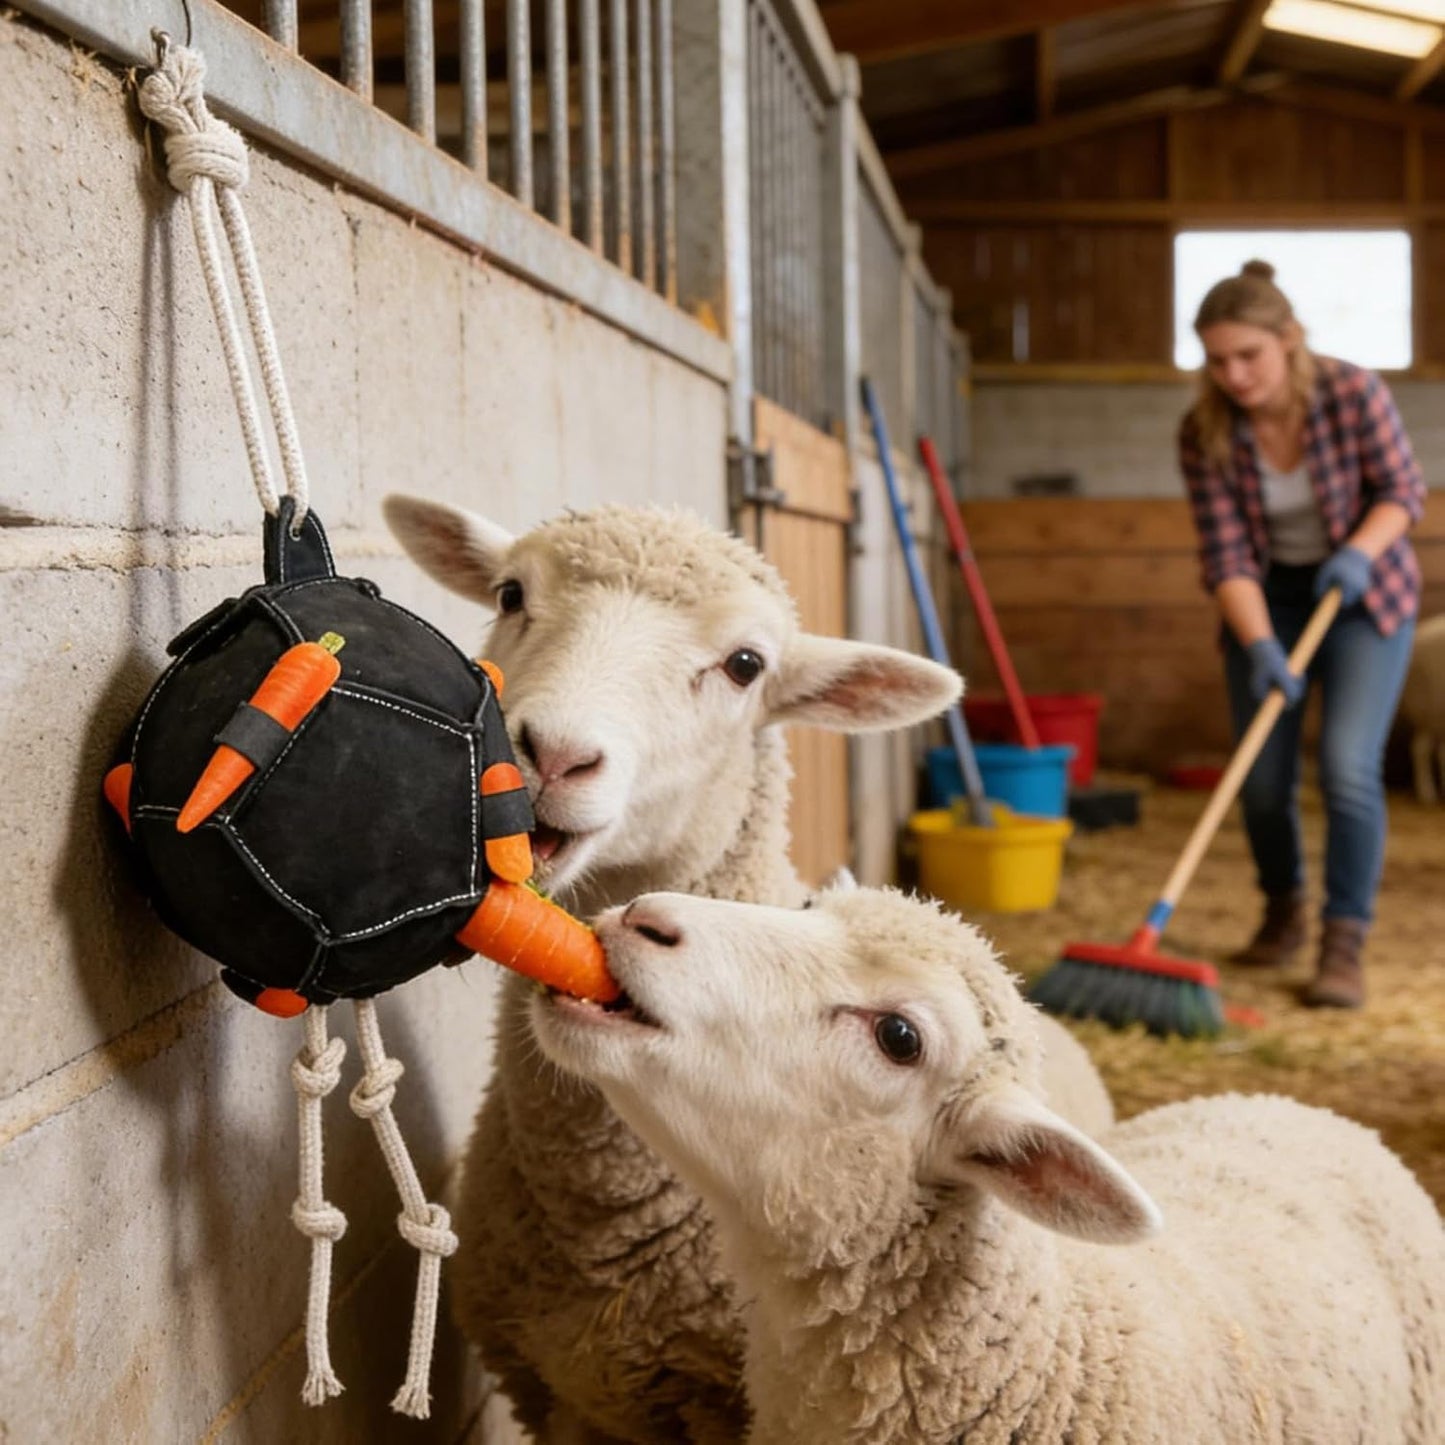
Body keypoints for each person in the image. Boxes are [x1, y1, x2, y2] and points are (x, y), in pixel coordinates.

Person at [1178, 259, 1426, 1009]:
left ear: (1287, 339)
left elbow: (1400, 490)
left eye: (1247, 355)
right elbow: (1224, 554)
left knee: (1348, 768)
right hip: (1267, 602)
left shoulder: (1353, 392)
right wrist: (1258, 644)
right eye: (1217, 360)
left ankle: (1340, 940)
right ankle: (1281, 910)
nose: (1233, 374)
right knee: (1260, 780)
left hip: (1362, 591)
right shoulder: (1204, 430)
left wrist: (1355, 552)